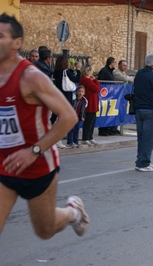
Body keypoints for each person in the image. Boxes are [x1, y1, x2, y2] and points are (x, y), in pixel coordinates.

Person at [0, 13, 89, 238]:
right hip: (5, 165)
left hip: (38, 165)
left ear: (16, 43)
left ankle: (73, 212)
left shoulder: (31, 77)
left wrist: (34, 151)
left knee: (45, 230)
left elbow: (69, 116)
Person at [79, 64, 100, 146]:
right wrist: (95, 80)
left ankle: (90, 137)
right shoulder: (85, 80)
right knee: (88, 121)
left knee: (92, 121)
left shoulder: (88, 80)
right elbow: (97, 88)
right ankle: (85, 137)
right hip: (89, 102)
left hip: (93, 102)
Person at [97, 57, 118, 136]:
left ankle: (107, 128)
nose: (115, 64)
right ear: (111, 63)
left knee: (108, 112)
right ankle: (102, 129)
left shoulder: (110, 71)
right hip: (104, 95)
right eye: (114, 62)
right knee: (104, 111)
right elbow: (101, 81)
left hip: (109, 95)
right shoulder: (104, 70)